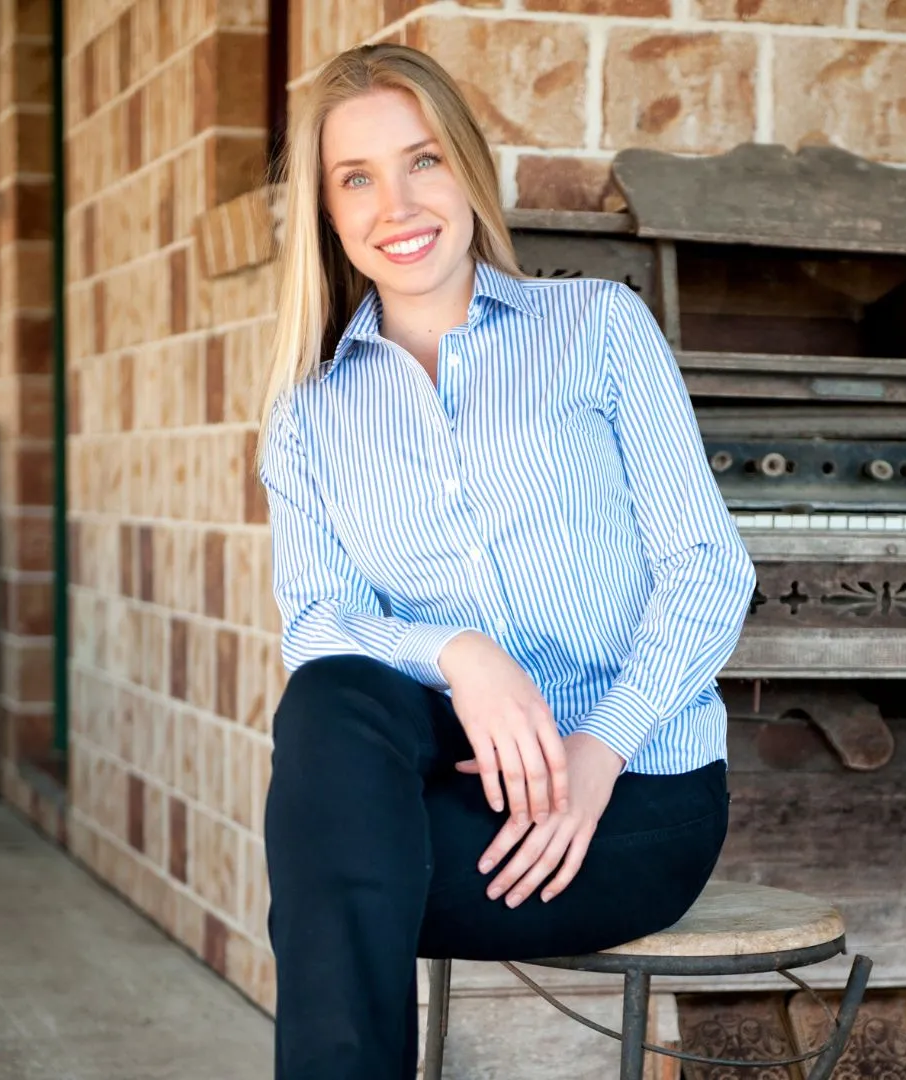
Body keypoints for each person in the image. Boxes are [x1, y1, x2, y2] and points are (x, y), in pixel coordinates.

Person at [257, 43, 756, 1080]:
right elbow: (315, 626)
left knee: (330, 889)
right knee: (330, 705)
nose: (396, 202)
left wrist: (599, 749)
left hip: (637, 793)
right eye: (357, 178)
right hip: (457, 781)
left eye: (422, 160)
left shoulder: (598, 330)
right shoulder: (307, 417)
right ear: (329, 212)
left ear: (468, 170)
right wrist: (459, 650)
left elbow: (708, 568)